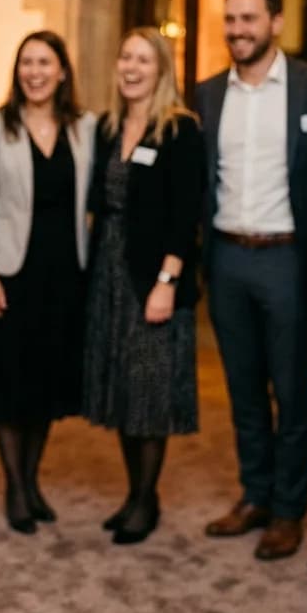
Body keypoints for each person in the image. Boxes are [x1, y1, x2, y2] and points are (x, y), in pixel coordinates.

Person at [196, 0, 307, 560]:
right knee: (243, 387)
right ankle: (254, 494)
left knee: (293, 390)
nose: (237, 31)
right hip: (226, 257)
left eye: (248, 19)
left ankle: (287, 509)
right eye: (229, 20)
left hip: (287, 258)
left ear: (276, 22)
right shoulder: (205, 94)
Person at [0, 30, 96, 534]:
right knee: (9, 385)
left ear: (63, 70)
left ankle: (32, 479)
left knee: (46, 386)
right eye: (27, 64)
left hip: (65, 273)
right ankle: (16, 487)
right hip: (10, 272)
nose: (35, 72)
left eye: (45, 63)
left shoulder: (85, 126)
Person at [81, 27, 204, 545]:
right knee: (123, 390)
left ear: (161, 70)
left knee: (150, 394)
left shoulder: (180, 129)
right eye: (125, 57)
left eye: (143, 59)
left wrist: (167, 281)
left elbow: (186, 215)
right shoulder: (108, 126)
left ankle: (145, 500)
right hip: (108, 272)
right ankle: (135, 494)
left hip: (153, 277)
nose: (131, 67)